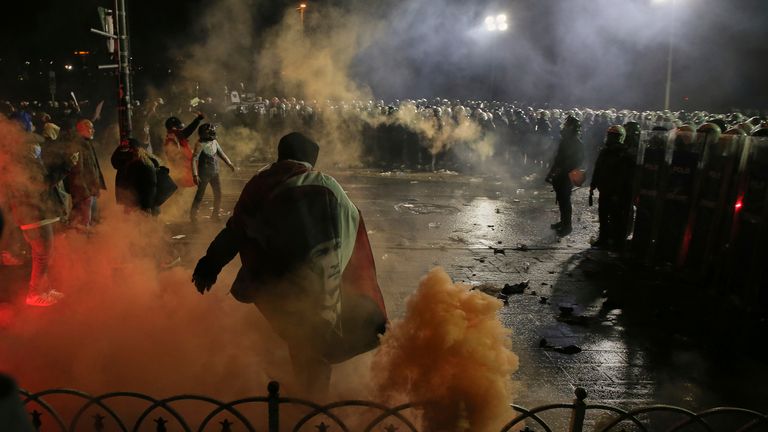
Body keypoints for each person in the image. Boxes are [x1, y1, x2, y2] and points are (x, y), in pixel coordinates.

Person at [192, 132, 387, 395]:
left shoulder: (260, 184)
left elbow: (237, 230)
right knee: (314, 341)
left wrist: (210, 264)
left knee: (300, 341)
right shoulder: (328, 185)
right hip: (322, 281)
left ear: (281, 154)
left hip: (275, 284)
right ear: (310, 160)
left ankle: (305, 400)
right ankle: (312, 408)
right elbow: (350, 224)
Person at [589, 125, 635, 250]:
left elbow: (624, 176)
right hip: (605, 190)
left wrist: (618, 192)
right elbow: (598, 168)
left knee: (617, 218)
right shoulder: (605, 151)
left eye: (612, 136)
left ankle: (617, 242)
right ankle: (604, 239)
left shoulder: (624, 154)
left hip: (617, 193)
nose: (610, 138)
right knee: (603, 216)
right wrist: (593, 184)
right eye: (609, 135)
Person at [546, 115, 584, 236]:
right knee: (562, 200)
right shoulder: (566, 140)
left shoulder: (576, 142)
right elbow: (559, 159)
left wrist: (565, 170)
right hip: (560, 174)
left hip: (566, 175)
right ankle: (563, 222)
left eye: (567, 125)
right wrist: (552, 173)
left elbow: (578, 161)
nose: (564, 127)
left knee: (565, 200)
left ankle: (567, 226)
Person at [64, 119, 106, 228]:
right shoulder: (78, 145)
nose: (93, 130)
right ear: (82, 129)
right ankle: (81, 242)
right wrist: (84, 193)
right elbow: (77, 172)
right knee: (83, 223)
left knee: (89, 221)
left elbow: (93, 167)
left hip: (89, 191)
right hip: (84, 193)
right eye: (90, 128)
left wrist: (96, 188)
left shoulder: (86, 143)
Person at [190, 123, 235, 222]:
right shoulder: (200, 144)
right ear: (204, 133)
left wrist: (229, 163)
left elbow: (221, 153)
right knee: (200, 194)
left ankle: (215, 214)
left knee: (218, 194)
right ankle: (193, 215)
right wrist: (195, 175)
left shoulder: (214, 142)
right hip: (204, 174)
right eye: (210, 131)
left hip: (215, 172)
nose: (212, 132)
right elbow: (194, 159)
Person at [111, 138, 162, 215]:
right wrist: (120, 147)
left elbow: (151, 186)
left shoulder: (145, 164)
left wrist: (147, 207)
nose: (127, 152)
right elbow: (115, 161)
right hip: (131, 203)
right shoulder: (126, 163)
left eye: (130, 149)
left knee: (143, 225)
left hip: (144, 206)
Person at [164, 112, 204, 188]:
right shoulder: (177, 135)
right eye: (177, 127)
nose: (180, 129)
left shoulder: (169, 136)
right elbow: (189, 130)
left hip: (179, 165)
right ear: (173, 127)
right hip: (184, 164)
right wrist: (198, 119)